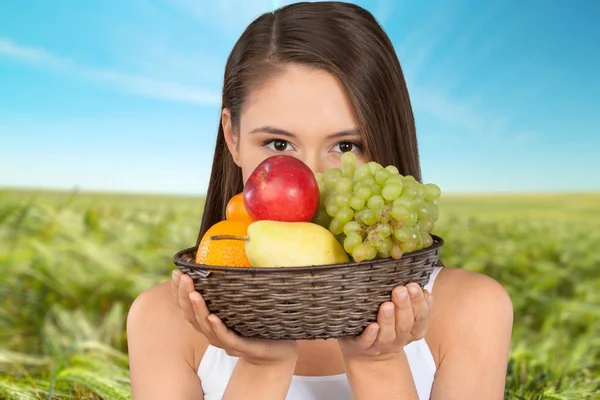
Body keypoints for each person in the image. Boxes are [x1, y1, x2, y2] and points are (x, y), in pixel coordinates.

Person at [126, 2, 514, 399]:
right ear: (233, 137)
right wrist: (263, 366)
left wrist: (378, 362)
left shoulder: (470, 310)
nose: (309, 180)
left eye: (346, 145)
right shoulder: (164, 320)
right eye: (278, 143)